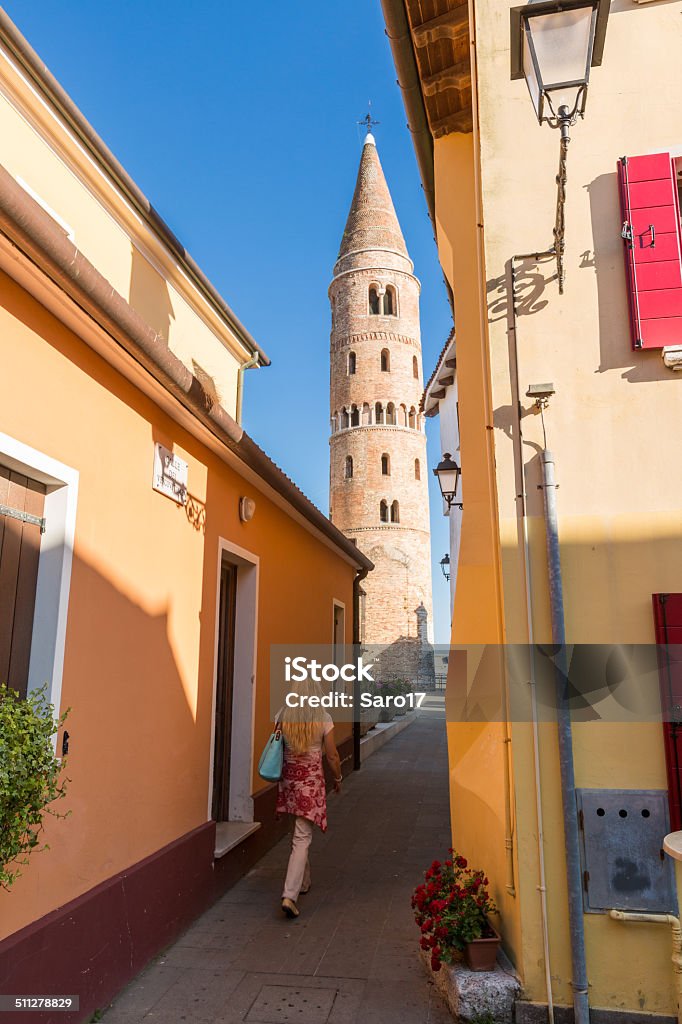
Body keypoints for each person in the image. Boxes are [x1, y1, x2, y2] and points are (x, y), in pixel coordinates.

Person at [275, 679, 342, 918]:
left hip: (289, 781)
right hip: (310, 785)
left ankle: (303, 883)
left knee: (298, 832)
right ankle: (289, 895)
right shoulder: (323, 717)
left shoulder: (282, 714)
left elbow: (275, 746)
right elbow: (332, 755)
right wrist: (338, 777)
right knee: (302, 837)